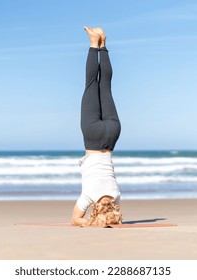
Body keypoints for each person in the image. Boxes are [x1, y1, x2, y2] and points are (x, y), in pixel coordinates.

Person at [71, 26, 122, 227]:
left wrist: (109, 217)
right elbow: (75, 220)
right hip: (93, 137)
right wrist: (90, 222)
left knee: (106, 86)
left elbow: (116, 215)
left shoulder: (116, 195)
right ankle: (93, 43)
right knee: (92, 84)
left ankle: (103, 45)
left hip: (112, 135)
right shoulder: (89, 196)